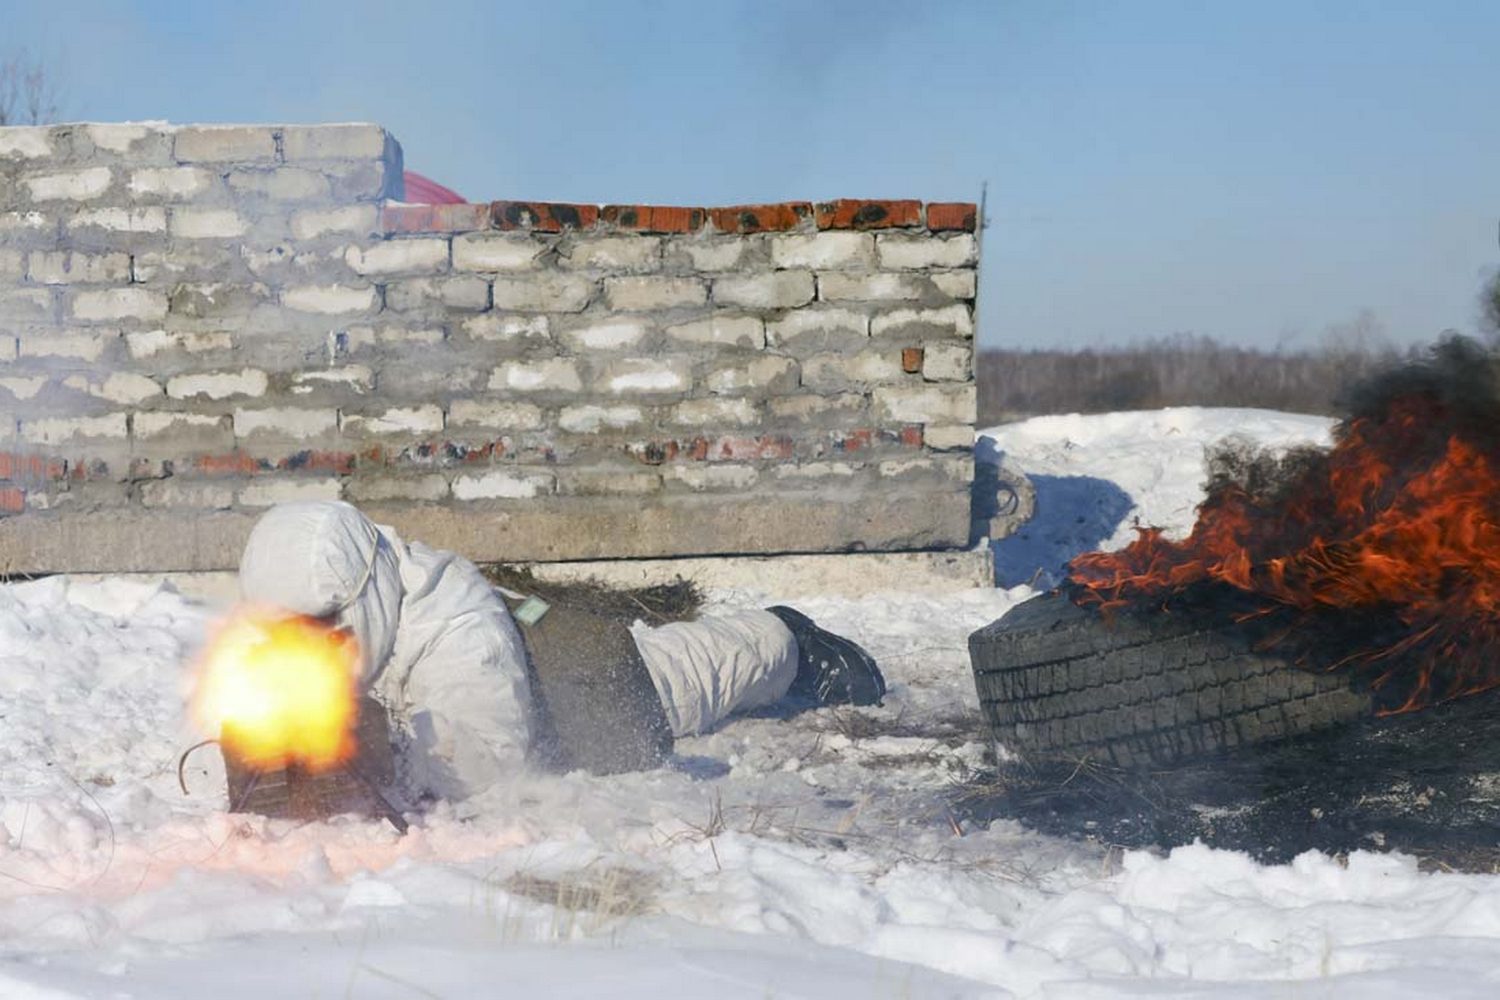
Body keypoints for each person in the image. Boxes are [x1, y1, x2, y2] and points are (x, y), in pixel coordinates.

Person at [236, 501, 885, 803]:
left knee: (708, 666)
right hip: (536, 644)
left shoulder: (454, 623)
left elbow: (487, 757)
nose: (303, 648)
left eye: (322, 630)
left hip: (600, 687)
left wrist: (391, 754)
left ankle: (790, 634)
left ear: (362, 597)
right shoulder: (305, 612)